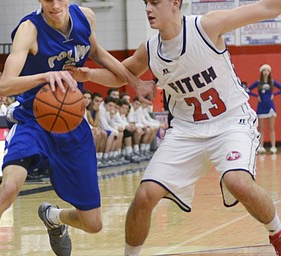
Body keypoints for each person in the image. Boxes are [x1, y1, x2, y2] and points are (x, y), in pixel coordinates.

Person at [67, 0, 281, 254]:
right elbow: (121, 74)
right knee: (144, 196)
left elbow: (268, 8)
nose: (148, 9)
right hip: (186, 130)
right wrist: (89, 75)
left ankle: (277, 234)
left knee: (238, 182)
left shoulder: (207, 26)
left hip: (231, 122)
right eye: (146, 3)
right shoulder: (150, 49)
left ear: (175, 4)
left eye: (155, 2)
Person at [0, 1, 155, 256]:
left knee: (93, 224)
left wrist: (135, 82)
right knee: (9, 187)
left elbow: (98, 53)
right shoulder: (29, 30)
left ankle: (53, 216)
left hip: (72, 125)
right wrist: (45, 76)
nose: (54, 5)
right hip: (34, 121)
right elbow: (5, 86)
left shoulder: (85, 17)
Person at [246, 64, 281, 154]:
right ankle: (261, 147)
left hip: (270, 107)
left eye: (267, 70)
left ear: (269, 72)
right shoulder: (258, 82)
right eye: (264, 71)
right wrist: (256, 96)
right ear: (262, 72)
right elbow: (248, 90)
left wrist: (275, 94)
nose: (266, 72)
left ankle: (273, 147)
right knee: (261, 128)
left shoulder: (272, 82)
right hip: (261, 107)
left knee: (271, 127)